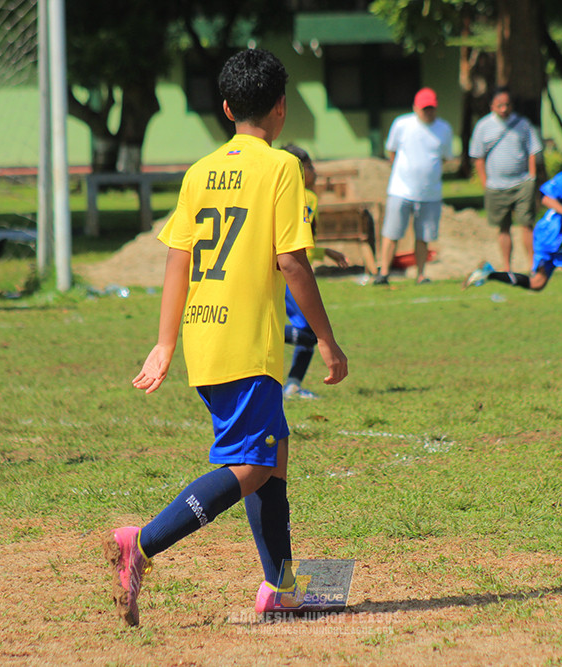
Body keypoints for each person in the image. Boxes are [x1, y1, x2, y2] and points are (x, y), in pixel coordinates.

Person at [104, 49, 347, 627]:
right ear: (282, 108)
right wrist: (328, 342)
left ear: (226, 107)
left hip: (204, 338)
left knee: (274, 457)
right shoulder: (282, 168)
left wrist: (165, 344)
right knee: (253, 467)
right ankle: (141, 544)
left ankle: (282, 587)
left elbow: (177, 260)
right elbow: (291, 261)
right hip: (248, 344)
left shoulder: (199, 171)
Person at [463, 136, 562, 342]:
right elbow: (545, 197)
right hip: (554, 237)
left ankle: (489, 274)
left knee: (537, 283)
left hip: (559, 237)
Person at [281, 144, 348, 399]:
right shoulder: (307, 198)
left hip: (282, 269)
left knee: (308, 332)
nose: (315, 171)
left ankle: (293, 386)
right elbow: (298, 247)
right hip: (292, 274)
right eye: (309, 166)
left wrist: (325, 252)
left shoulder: (278, 193)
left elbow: (303, 243)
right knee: (311, 334)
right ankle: (259, 335)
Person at [374, 87, 453, 285]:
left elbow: (445, 158)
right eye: (424, 108)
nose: (428, 112)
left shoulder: (444, 129)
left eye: (431, 108)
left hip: (430, 193)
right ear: (415, 108)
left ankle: (421, 274)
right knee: (392, 232)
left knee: (424, 236)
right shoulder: (402, 124)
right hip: (401, 190)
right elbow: (391, 152)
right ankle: (383, 273)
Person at [468, 87, 543, 272]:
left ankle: (533, 266)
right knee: (503, 228)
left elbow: (534, 151)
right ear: (492, 105)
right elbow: (477, 156)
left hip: (522, 183)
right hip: (496, 186)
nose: (503, 109)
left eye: (507, 105)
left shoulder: (523, 124)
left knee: (526, 225)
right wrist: (485, 182)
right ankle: (507, 268)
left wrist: (532, 177)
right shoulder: (483, 126)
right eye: (499, 105)